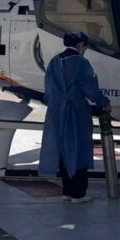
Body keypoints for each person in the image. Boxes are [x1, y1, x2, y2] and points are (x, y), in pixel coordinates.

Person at [39, 31, 110, 202]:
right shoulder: (81, 62)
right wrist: (103, 102)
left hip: (56, 112)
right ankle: (79, 193)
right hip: (76, 112)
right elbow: (90, 88)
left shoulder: (54, 61)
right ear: (81, 45)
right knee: (78, 149)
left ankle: (67, 190)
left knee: (62, 150)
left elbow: (48, 91)